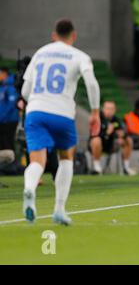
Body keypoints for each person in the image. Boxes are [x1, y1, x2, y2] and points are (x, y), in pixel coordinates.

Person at [21, 18, 101, 225]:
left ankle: (30, 188)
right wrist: (94, 112)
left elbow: (25, 91)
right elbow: (91, 84)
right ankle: (59, 209)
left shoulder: (40, 53)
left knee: (37, 161)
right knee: (66, 158)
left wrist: (37, 103)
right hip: (62, 114)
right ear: (73, 36)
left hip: (35, 111)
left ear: (53, 35)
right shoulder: (79, 56)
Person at [89, 101, 136, 175]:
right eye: (107, 108)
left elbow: (123, 132)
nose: (109, 111)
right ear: (103, 109)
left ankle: (126, 168)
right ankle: (96, 167)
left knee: (128, 140)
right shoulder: (98, 119)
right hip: (97, 145)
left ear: (114, 110)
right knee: (96, 140)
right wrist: (107, 133)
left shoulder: (117, 120)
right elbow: (93, 135)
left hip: (111, 145)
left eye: (111, 109)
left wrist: (121, 136)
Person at [0, 67, 19, 166]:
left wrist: (2, 117)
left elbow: (11, 105)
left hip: (9, 121)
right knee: (3, 144)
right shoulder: (2, 86)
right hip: (3, 121)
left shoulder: (11, 86)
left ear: (4, 73)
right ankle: (5, 166)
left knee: (8, 143)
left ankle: (12, 166)